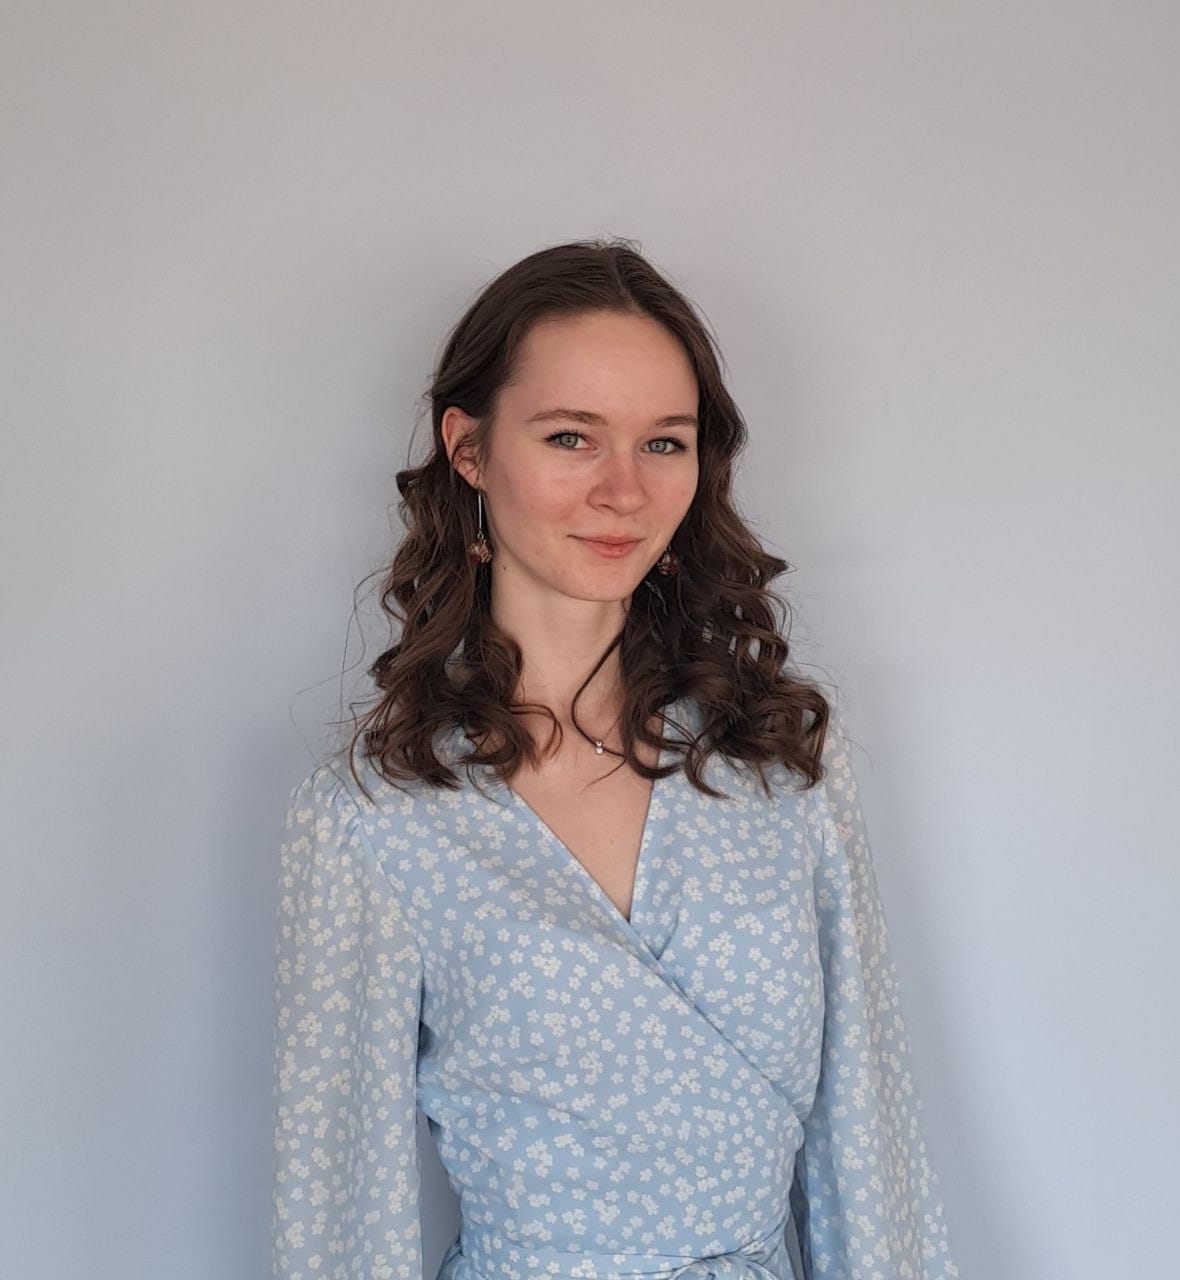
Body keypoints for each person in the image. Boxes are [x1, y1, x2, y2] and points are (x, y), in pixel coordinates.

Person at [269, 239, 958, 1280]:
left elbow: (868, 1148)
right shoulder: (376, 817)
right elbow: (339, 1217)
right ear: (469, 449)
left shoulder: (779, 767)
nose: (624, 490)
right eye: (570, 437)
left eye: (663, 443)